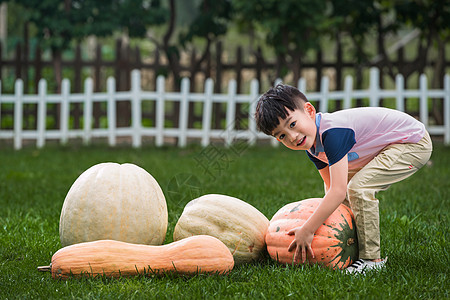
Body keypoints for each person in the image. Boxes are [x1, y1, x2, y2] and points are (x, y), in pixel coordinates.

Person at [255, 83, 432, 273]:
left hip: (412, 142)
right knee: (346, 190)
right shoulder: (313, 149)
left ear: (309, 111)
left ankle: (372, 260)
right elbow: (332, 189)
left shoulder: (333, 133)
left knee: (358, 188)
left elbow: (338, 192)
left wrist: (308, 229)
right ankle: (354, 249)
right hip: (389, 146)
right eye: (282, 135)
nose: (292, 136)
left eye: (292, 124)